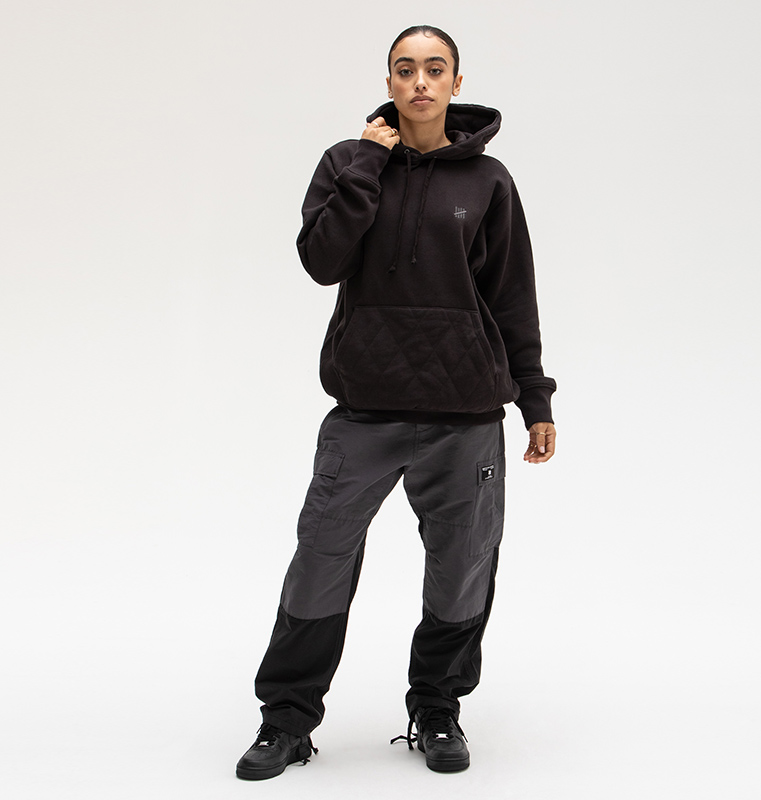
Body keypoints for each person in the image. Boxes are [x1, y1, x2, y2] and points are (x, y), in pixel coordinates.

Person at [235, 24, 557, 780]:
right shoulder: (347, 163)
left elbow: (512, 295)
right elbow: (321, 262)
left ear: (455, 83)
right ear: (388, 82)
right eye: (405, 69)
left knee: (461, 568)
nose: (419, 82)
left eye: (434, 69)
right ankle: (286, 721)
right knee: (319, 560)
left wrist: (535, 398)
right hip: (365, 408)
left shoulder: (489, 181)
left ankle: (437, 709)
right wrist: (368, 165)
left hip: (465, 414)